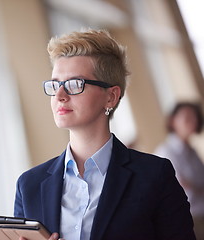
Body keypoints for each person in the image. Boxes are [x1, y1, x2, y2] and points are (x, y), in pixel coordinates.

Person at [14, 29, 195, 240]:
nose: (60, 95)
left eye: (74, 84)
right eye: (55, 84)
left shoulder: (155, 176)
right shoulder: (29, 185)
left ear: (111, 97)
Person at [155, 102, 204, 240]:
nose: (192, 121)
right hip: (190, 219)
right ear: (173, 121)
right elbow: (182, 189)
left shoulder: (192, 151)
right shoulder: (166, 152)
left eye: (195, 117)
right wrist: (196, 188)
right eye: (187, 118)